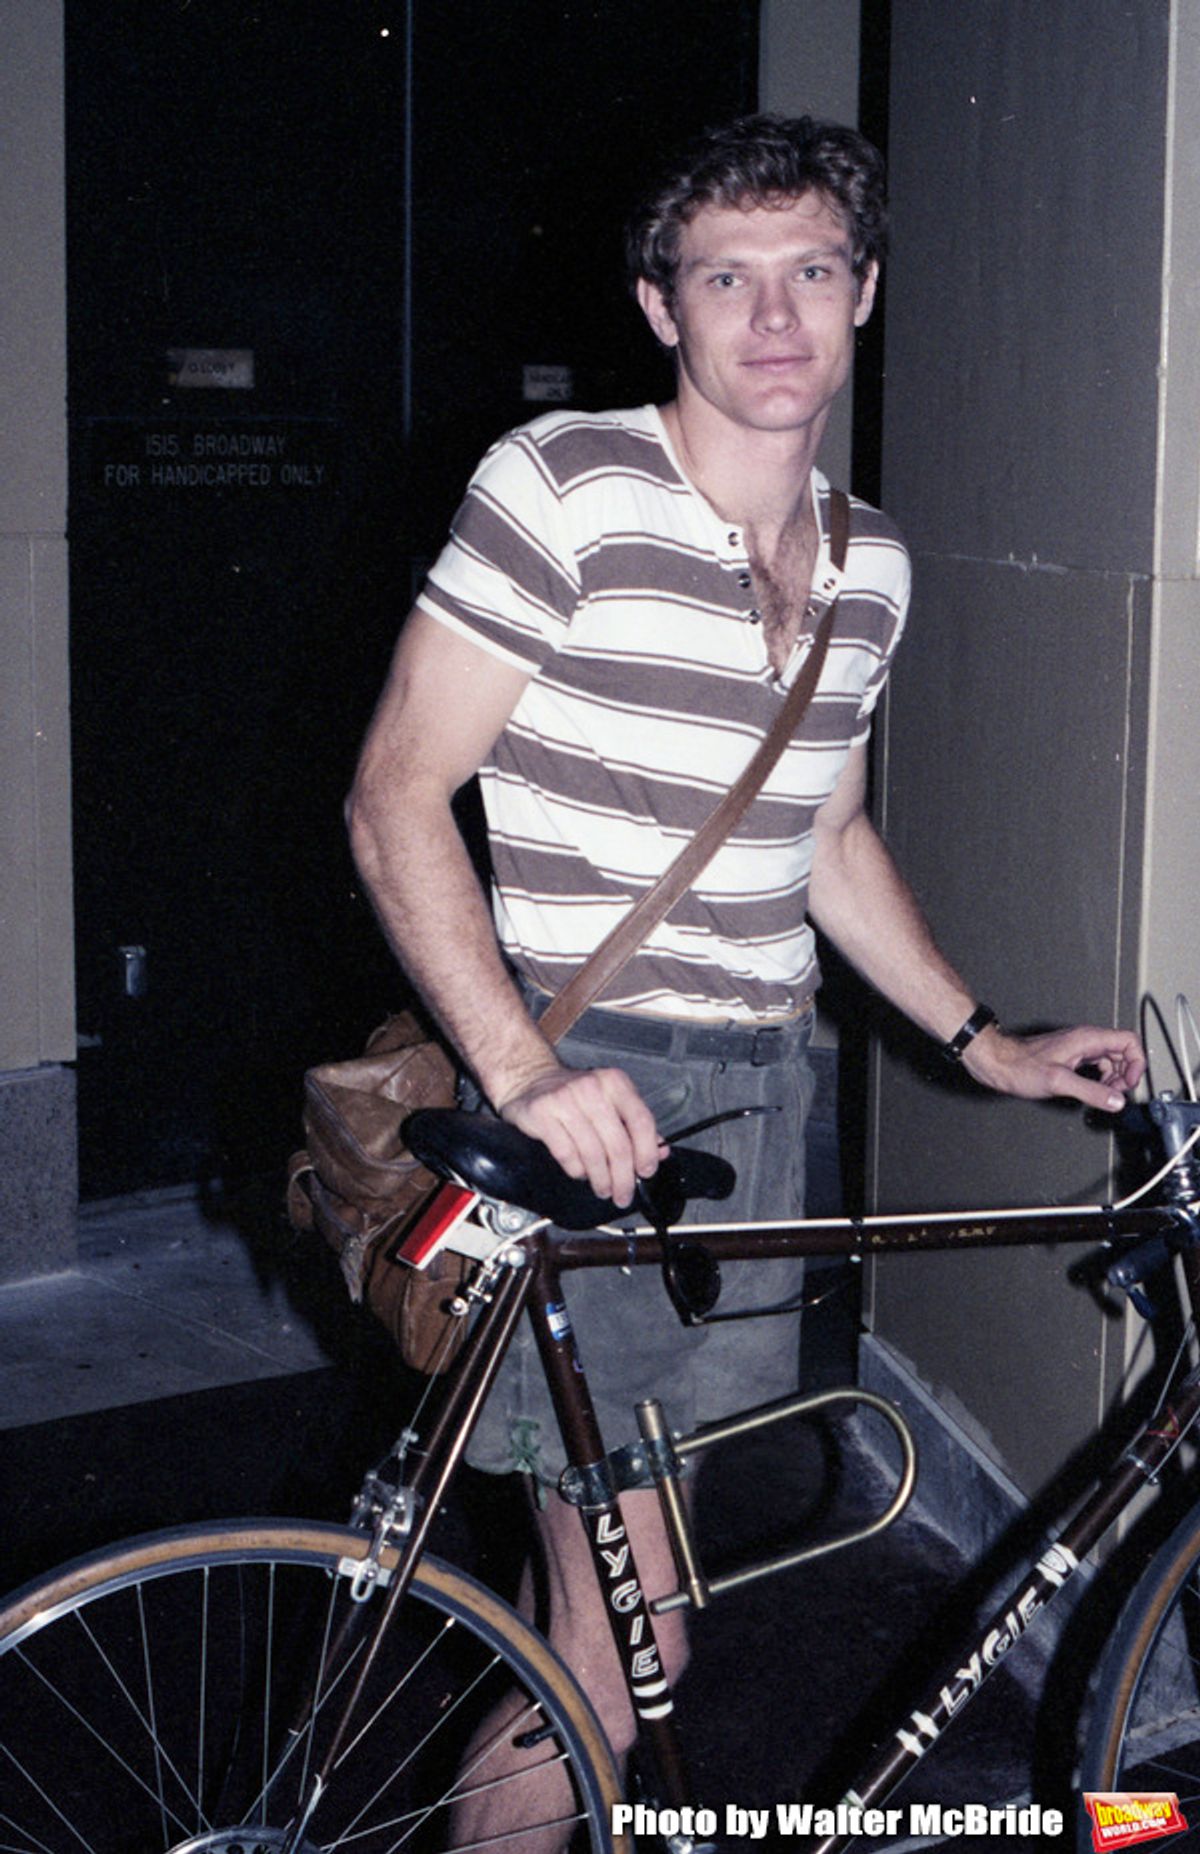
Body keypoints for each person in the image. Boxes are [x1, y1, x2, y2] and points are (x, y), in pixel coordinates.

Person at [347, 113, 1144, 1838]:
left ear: (861, 294)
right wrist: (528, 1071)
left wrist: (984, 1042)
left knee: (635, 1632)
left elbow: (827, 840)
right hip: (594, 1089)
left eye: (808, 273)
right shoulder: (563, 486)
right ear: (662, 305)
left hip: (754, 1098)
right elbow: (397, 793)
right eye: (728, 277)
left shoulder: (872, 565)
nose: (772, 317)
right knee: (615, 1650)